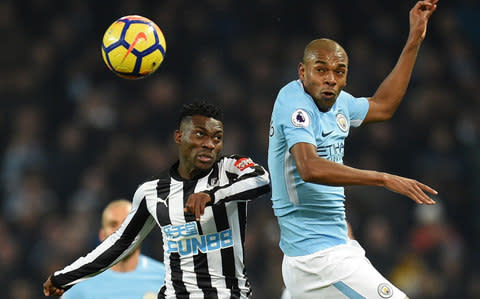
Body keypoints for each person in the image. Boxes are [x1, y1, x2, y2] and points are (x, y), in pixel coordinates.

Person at [268, 1, 438, 298]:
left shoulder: (341, 102)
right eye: (320, 70)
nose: (330, 79)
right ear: (302, 72)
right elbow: (309, 167)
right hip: (317, 260)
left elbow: (383, 105)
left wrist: (413, 40)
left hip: (335, 249)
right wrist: (384, 178)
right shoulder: (293, 102)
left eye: (338, 71)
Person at [44, 102, 271, 298]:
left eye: (217, 138)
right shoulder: (152, 192)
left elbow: (262, 179)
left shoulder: (230, 169)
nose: (210, 144)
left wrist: (213, 195)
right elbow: (120, 244)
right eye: (200, 134)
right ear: (179, 137)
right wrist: (65, 277)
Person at [60, 199, 165, 299]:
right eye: (113, 224)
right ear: (102, 235)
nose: (121, 230)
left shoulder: (166, 278)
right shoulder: (79, 284)